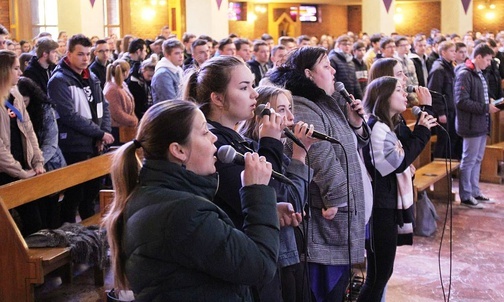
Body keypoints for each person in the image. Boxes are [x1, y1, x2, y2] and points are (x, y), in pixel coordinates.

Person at [103, 100, 280, 301]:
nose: (214, 137)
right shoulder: (183, 213)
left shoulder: (158, 197)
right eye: (205, 132)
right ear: (178, 150)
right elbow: (260, 266)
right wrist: (256, 192)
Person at [182, 55, 300, 301]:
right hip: (238, 262)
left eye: (253, 85)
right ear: (217, 98)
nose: (254, 95)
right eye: (244, 87)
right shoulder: (215, 147)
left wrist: (273, 208)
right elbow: (265, 190)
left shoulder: (234, 138)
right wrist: (270, 141)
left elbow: (264, 196)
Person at [269, 46, 371, 302]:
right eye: (326, 66)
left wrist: (355, 123)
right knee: (326, 293)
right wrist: (338, 198)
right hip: (325, 223)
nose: (333, 70)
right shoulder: (303, 107)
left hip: (342, 218)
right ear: (308, 74)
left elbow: (348, 148)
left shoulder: (326, 103)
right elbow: (320, 156)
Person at [358, 76, 435, 302]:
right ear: (383, 97)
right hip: (380, 207)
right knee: (378, 276)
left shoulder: (387, 125)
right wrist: (422, 131)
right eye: (399, 90)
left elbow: (405, 147)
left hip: (386, 204)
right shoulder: (376, 127)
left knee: (381, 274)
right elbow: (399, 161)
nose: (405, 95)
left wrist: (424, 111)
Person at [241, 86, 315, 302]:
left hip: (290, 251)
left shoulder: (280, 153)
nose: (291, 118)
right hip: (277, 257)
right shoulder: (256, 155)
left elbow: (296, 205)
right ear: (261, 118)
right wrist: (300, 156)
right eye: (281, 110)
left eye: (290, 109)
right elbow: (288, 202)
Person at [47, 34, 114, 223]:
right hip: (74, 145)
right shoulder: (59, 80)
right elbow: (68, 115)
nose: (85, 59)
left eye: (87, 54)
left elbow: (104, 107)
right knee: (74, 195)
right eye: (80, 54)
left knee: (91, 195)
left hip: (95, 143)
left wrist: (104, 133)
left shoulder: (91, 76)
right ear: (68, 54)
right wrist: (99, 133)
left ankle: (91, 234)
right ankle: (70, 234)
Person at [0, 50, 46, 235]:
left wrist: (38, 161)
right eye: (16, 68)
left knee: (35, 224)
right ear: (4, 71)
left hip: (23, 168)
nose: (21, 73)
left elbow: (29, 130)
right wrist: (20, 172)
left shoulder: (15, 95)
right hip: (5, 172)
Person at [454, 43, 500, 208]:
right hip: (471, 124)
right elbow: (461, 101)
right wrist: (485, 107)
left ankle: (475, 191)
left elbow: (480, 95)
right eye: (487, 60)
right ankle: (466, 196)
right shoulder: (465, 74)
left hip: (481, 122)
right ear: (478, 57)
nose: (489, 63)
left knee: (477, 159)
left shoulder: (479, 73)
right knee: (469, 160)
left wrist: (490, 102)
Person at [17, 76, 67, 229]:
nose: (22, 106)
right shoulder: (13, 109)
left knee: (50, 210)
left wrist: (37, 163)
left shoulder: (44, 109)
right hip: (28, 168)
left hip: (49, 163)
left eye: (25, 102)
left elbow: (51, 142)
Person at [427, 41, 462, 159]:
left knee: (452, 139)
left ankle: (450, 166)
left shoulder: (451, 66)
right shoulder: (439, 69)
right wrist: (440, 112)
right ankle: (440, 165)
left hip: (452, 110)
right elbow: (434, 93)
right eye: (452, 51)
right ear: (443, 52)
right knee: (443, 141)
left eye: (455, 51)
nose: (454, 53)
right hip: (444, 112)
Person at [103, 59, 138, 144]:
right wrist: (133, 120)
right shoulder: (113, 89)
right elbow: (117, 113)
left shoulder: (121, 85)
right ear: (126, 72)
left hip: (124, 129)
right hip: (117, 132)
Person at [151, 38, 184, 104]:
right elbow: (170, 101)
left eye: (182, 52)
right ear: (167, 55)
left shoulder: (178, 70)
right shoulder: (163, 74)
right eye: (177, 53)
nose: (181, 56)